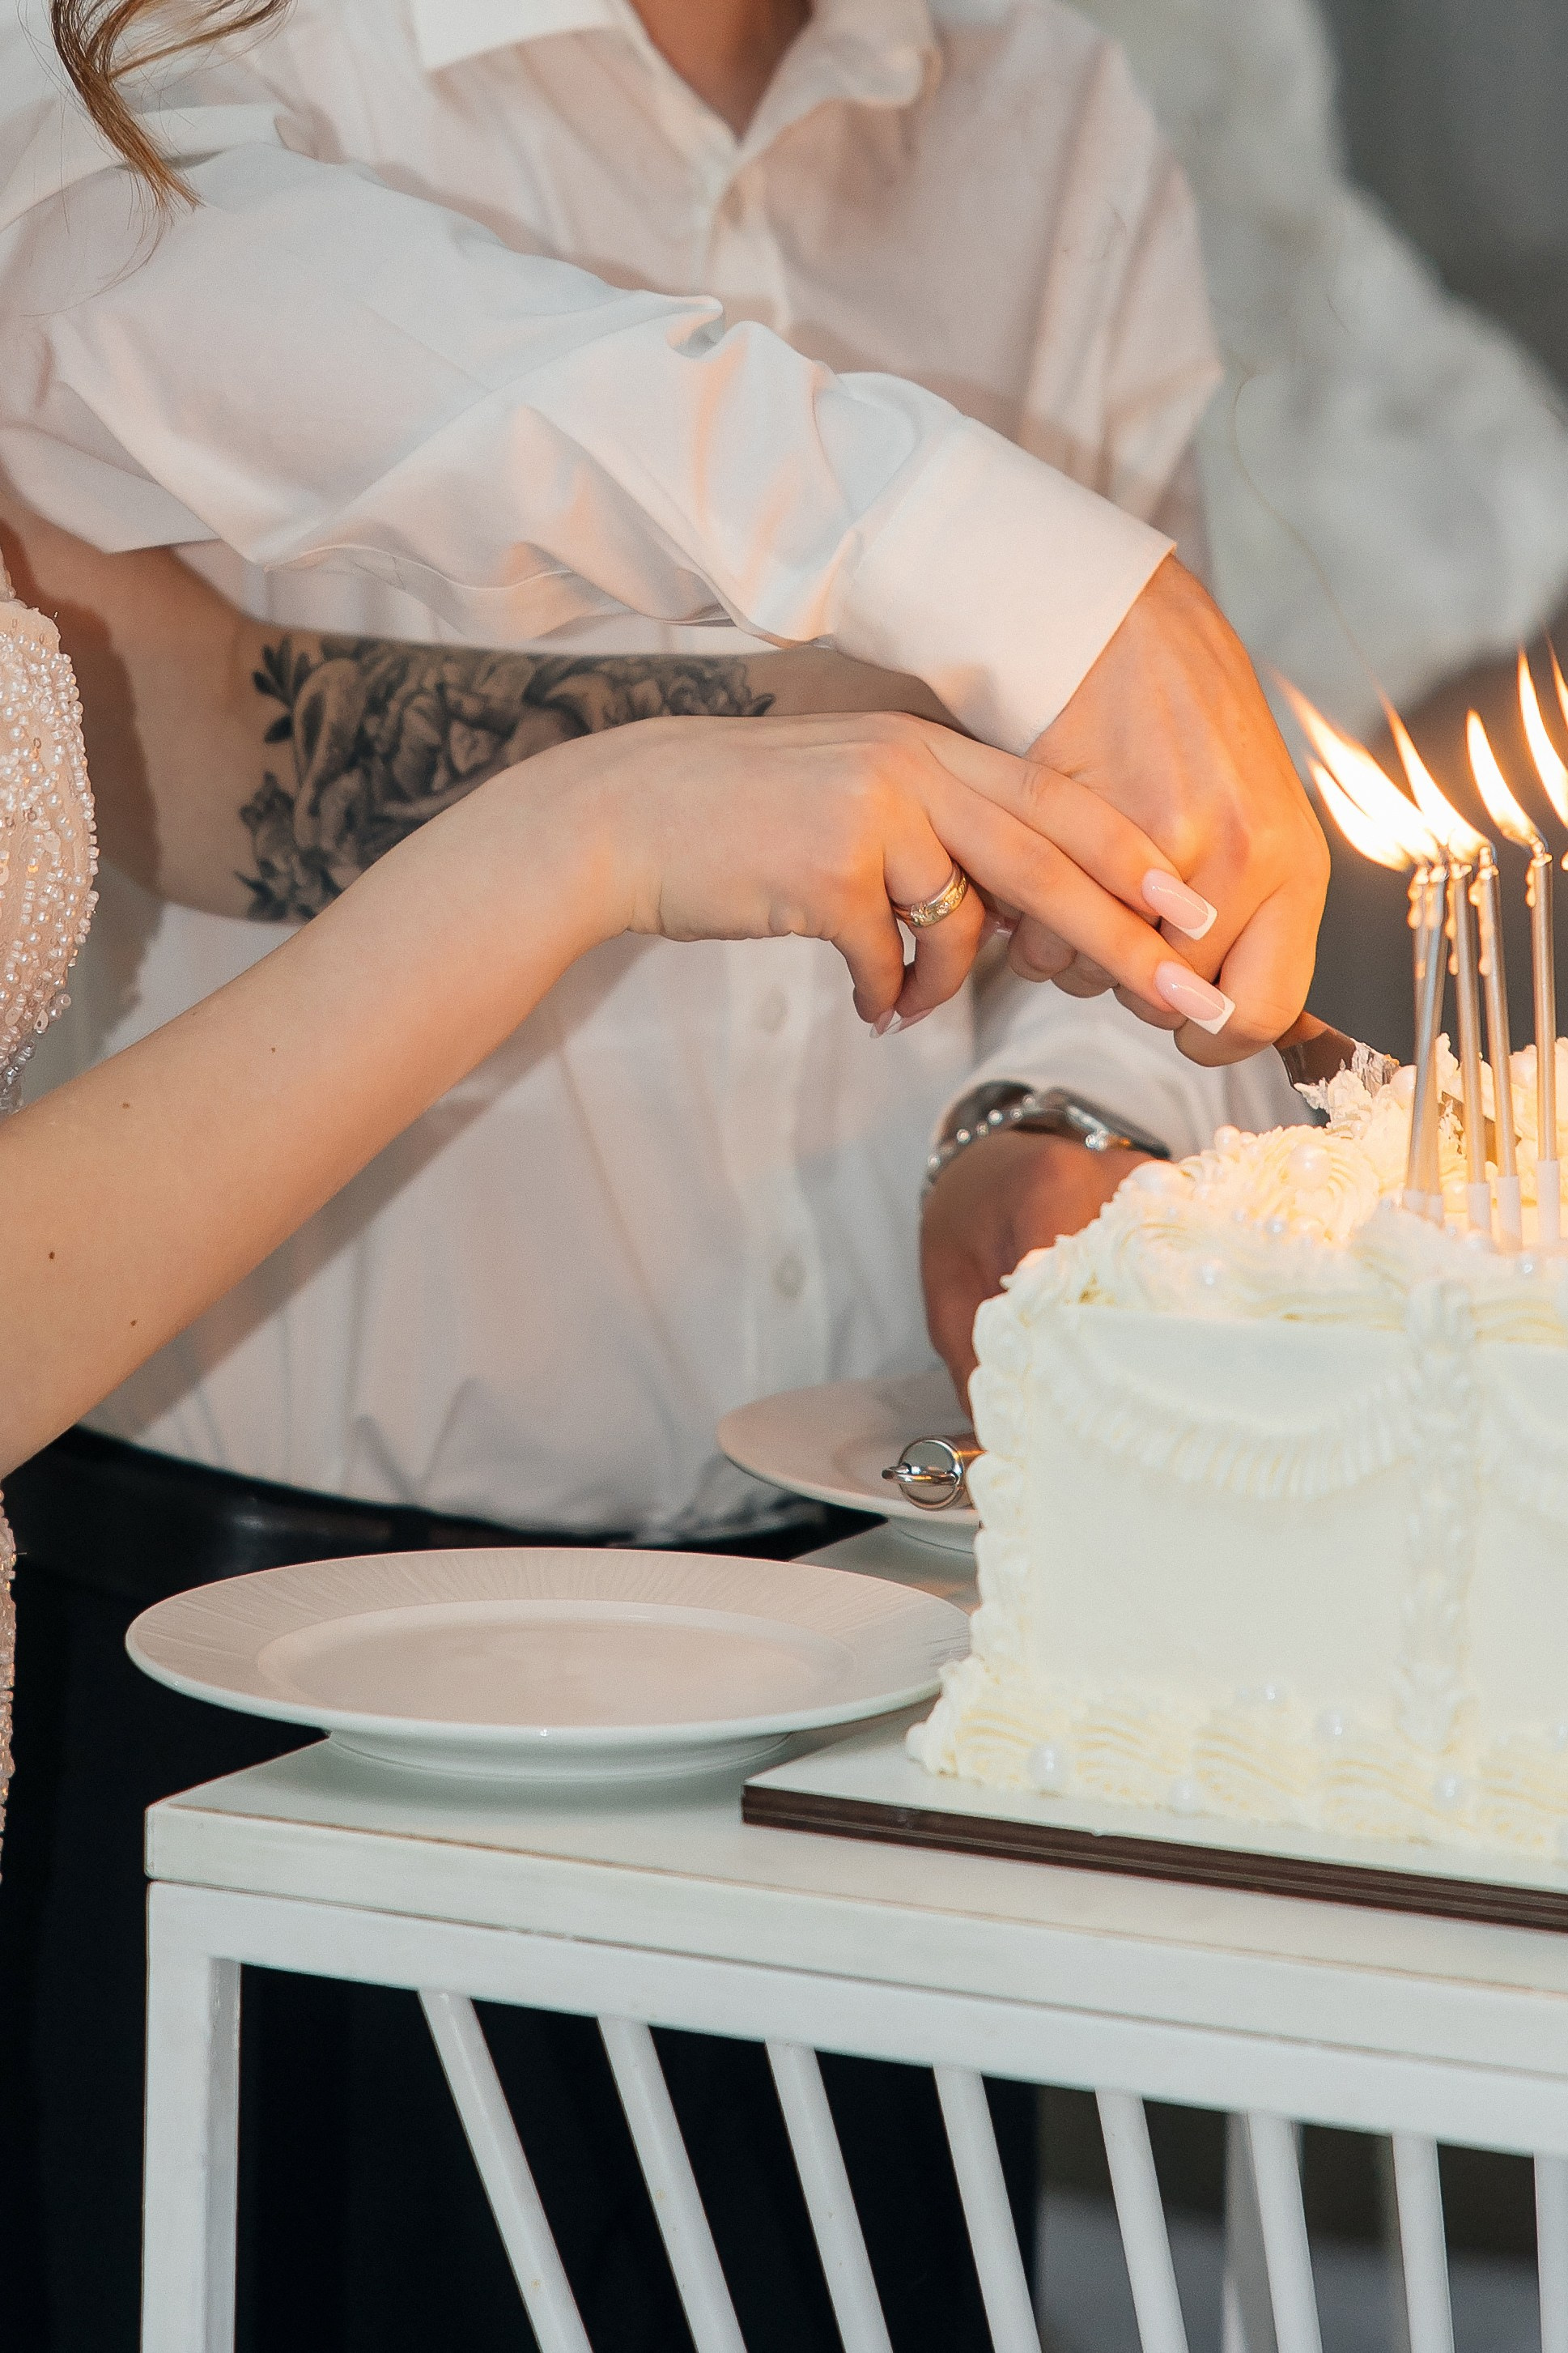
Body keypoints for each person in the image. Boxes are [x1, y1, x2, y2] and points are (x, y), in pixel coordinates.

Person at [0, 2, 1326, 2344]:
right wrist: (935, 536)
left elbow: (1121, 890)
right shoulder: (181, 58)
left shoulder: (1049, 107)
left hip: (860, 1707)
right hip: (268, 1689)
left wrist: (1064, 1121)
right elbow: (140, 336)